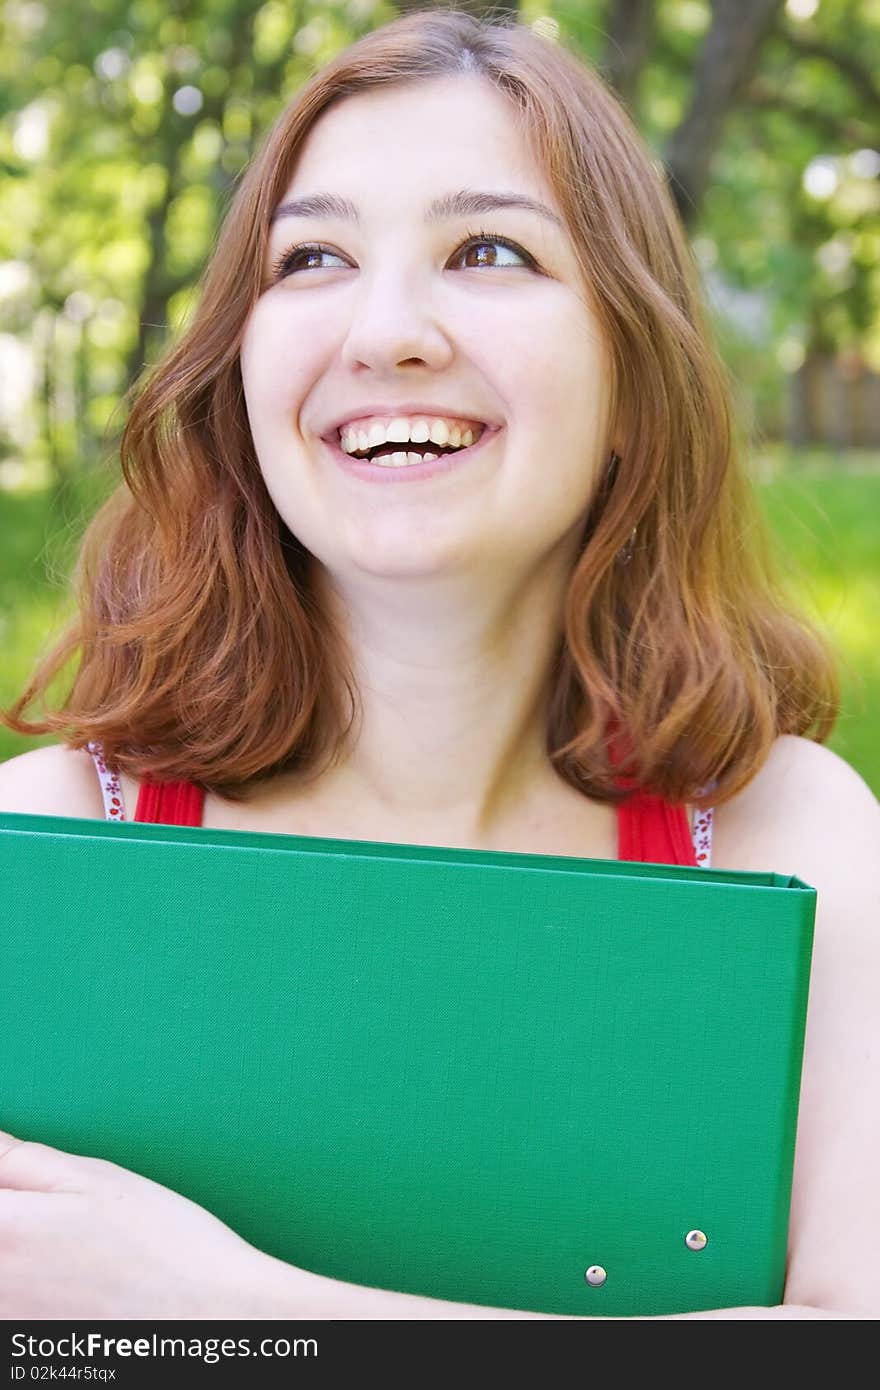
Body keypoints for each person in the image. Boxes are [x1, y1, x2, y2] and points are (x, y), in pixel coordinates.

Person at [0, 8, 876, 1320]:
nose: (386, 329)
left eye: (486, 248)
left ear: (633, 377)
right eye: (311, 259)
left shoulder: (786, 839)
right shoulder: (44, 855)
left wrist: (210, 1296)